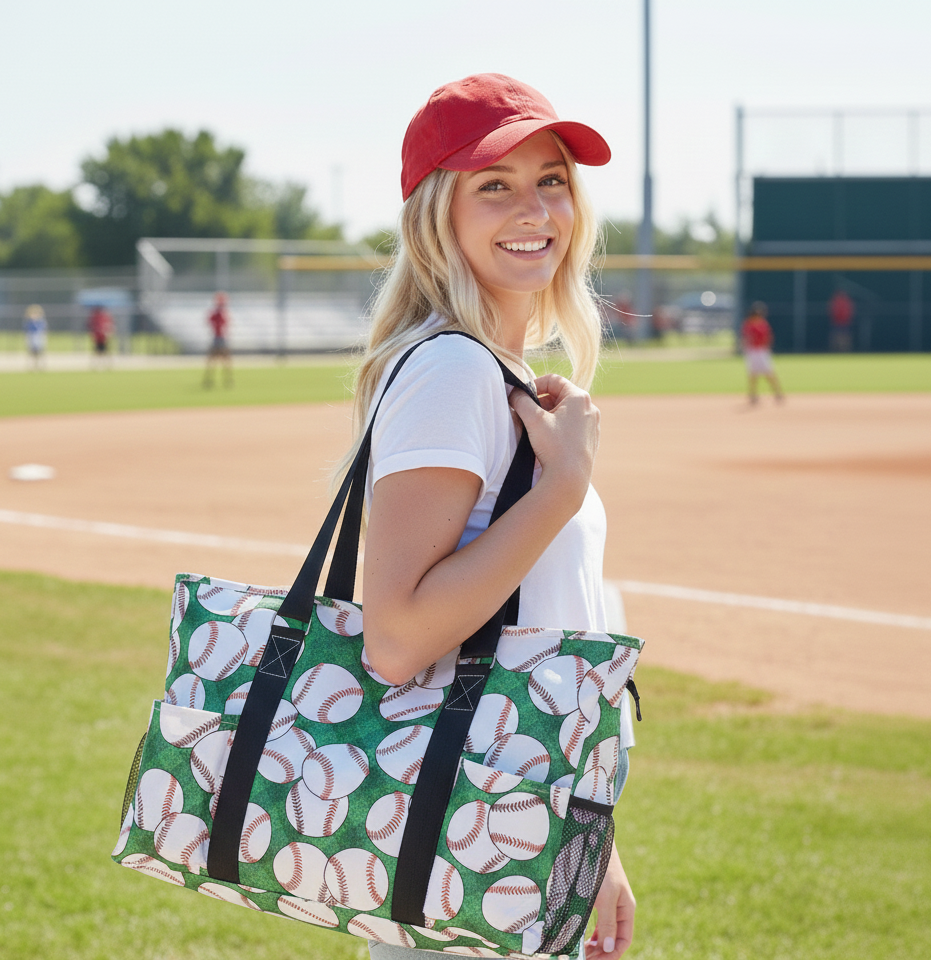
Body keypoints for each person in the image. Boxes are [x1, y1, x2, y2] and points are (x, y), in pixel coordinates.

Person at [340, 73, 636, 960]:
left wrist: (592, 840)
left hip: (517, 823)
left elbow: (546, 635)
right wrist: (560, 490)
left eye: (551, 180)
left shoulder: (498, 375)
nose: (534, 208)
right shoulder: (451, 372)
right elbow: (394, 638)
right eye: (494, 185)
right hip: (463, 840)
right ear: (439, 213)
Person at [740, 301, 784, 404]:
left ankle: (777, 393)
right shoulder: (748, 323)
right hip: (752, 351)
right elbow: (745, 337)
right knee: (753, 374)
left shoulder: (763, 323)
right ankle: (753, 395)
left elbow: (768, 337)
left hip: (762, 351)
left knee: (768, 373)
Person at [204, 291, 233, 387]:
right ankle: (224, 380)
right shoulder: (219, 313)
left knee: (219, 361)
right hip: (219, 338)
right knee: (220, 361)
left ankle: (224, 380)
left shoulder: (219, 313)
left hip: (219, 338)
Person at [87, 304, 114, 369]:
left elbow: (109, 326)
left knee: (104, 351)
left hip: (103, 337)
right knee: (97, 351)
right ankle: (96, 365)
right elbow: (91, 327)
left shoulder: (103, 317)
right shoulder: (95, 317)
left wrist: (108, 333)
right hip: (98, 337)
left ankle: (107, 365)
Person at [828, 288, 854, 352]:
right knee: (836, 336)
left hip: (845, 322)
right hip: (837, 322)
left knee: (845, 336)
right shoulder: (836, 300)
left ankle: (845, 349)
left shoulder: (847, 301)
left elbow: (849, 311)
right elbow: (832, 311)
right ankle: (835, 349)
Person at [23, 304, 48, 370]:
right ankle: (32, 365)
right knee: (31, 352)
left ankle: (41, 365)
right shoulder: (29, 322)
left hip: (38, 337)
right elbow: (27, 330)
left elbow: (43, 330)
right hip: (32, 337)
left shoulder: (41, 322)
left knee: (40, 351)